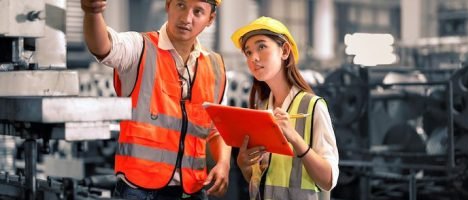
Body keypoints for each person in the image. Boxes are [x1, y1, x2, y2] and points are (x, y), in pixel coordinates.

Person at [80, 0, 231, 199]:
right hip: (138, 189)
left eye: (198, 11)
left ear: (210, 19)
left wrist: (223, 163)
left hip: (191, 189)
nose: (186, 18)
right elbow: (103, 46)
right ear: (168, 5)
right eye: (181, 5)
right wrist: (93, 12)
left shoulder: (216, 67)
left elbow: (219, 127)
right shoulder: (140, 48)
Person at [231, 16, 339, 200]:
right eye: (248, 52)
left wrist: (295, 138)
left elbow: (328, 179)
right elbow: (259, 179)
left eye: (261, 46)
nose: (253, 58)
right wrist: (244, 165)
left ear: (285, 51)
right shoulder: (263, 110)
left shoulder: (313, 107)